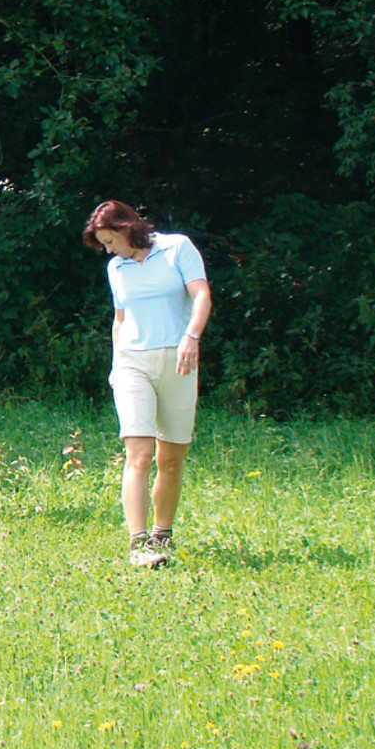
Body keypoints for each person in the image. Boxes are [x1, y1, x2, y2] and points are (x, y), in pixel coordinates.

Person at [83, 200, 212, 568]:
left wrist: (191, 336)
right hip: (132, 363)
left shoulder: (178, 248)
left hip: (179, 361)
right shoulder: (116, 268)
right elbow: (120, 319)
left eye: (110, 240)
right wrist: (117, 361)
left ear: (126, 229)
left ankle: (161, 535)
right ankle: (138, 545)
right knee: (138, 454)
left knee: (170, 460)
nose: (108, 250)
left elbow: (201, 295)